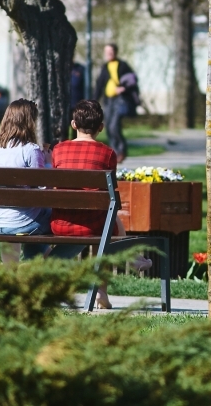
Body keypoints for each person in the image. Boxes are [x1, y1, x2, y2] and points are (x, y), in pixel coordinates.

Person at [50, 99, 152, 308]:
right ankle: (102, 291)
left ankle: (133, 257)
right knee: (108, 221)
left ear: (73, 125)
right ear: (101, 128)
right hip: (93, 226)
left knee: (107, 217)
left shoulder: (59, 150)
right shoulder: (107, 154)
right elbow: (109, 195)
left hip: (60, 224)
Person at [0, 99, 61, 261]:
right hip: (22, 222)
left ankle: (14, 273)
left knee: (31, 218)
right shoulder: (30, 150)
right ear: (29, 122)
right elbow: (44, 190)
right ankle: (59, 263)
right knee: (63, 217)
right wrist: (47, 162)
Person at [94, 43, 140, 162]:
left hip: (120, 100)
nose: (109, 54)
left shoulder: (123, 65)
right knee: (108, 126)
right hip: (108, 100)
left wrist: (123, 88)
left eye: (111, 51)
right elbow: (99, 85)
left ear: (115, 52)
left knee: (114, 125)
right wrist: (94, 101)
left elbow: (133, 79)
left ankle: (121, 150)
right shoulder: (105, 67)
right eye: (107, 52)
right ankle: (114, 152)